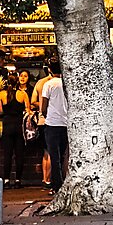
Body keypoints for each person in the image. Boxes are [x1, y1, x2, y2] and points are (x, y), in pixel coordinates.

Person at [39, 61, 69, 194]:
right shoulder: (68, 84)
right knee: (63, 155)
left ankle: (56, 185)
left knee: (54, 155)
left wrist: (44, 114)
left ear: (50, 70)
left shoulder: (48, 84)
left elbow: (43, 105)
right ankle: (62, 183)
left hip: (52, 124)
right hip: (65, 123)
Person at [0, 74, 29, 188]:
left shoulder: (2, 94)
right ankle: (18, 180)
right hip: (19, 125)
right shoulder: (23, 94)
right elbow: (28, 109)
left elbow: (1, 111)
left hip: (7, 125)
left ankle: (6, 180)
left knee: (7, 154)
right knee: (19, 154)